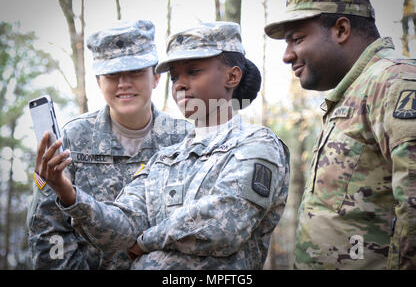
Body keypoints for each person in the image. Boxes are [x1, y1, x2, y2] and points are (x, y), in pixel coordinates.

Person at [34, 21, 290, 269]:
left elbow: (224, 225)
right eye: (175, 76)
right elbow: (122, 225)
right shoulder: (166, 159)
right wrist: (68, 194)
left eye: (193, 71)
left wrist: (144, 243)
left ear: (232, 76)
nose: (180, 83)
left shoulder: (256, 144)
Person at [264, 0, 416, 269]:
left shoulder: (393, 82)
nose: (286, 56)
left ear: (341, 29)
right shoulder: (352, 93)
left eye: (297, 39)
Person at [27, 20, 191, 269]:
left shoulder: (184, 140)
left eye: (136, 71)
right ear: (98, 81)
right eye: (112, 74)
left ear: (156, 77)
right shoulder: (72, 139)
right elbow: (48, 231)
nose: (124, 83)